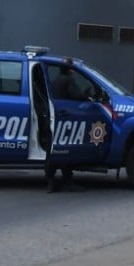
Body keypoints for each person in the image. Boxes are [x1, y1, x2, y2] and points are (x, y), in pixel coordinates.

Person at [46, 60, 88, 192]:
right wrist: (86, 95)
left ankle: (51, 181)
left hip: (54, 117)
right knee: (67, 150)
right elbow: (76, 95)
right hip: (66, 118)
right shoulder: (68, 80)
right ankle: (67, 181)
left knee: (52, 151)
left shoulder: (56, 80)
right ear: (70, 69)